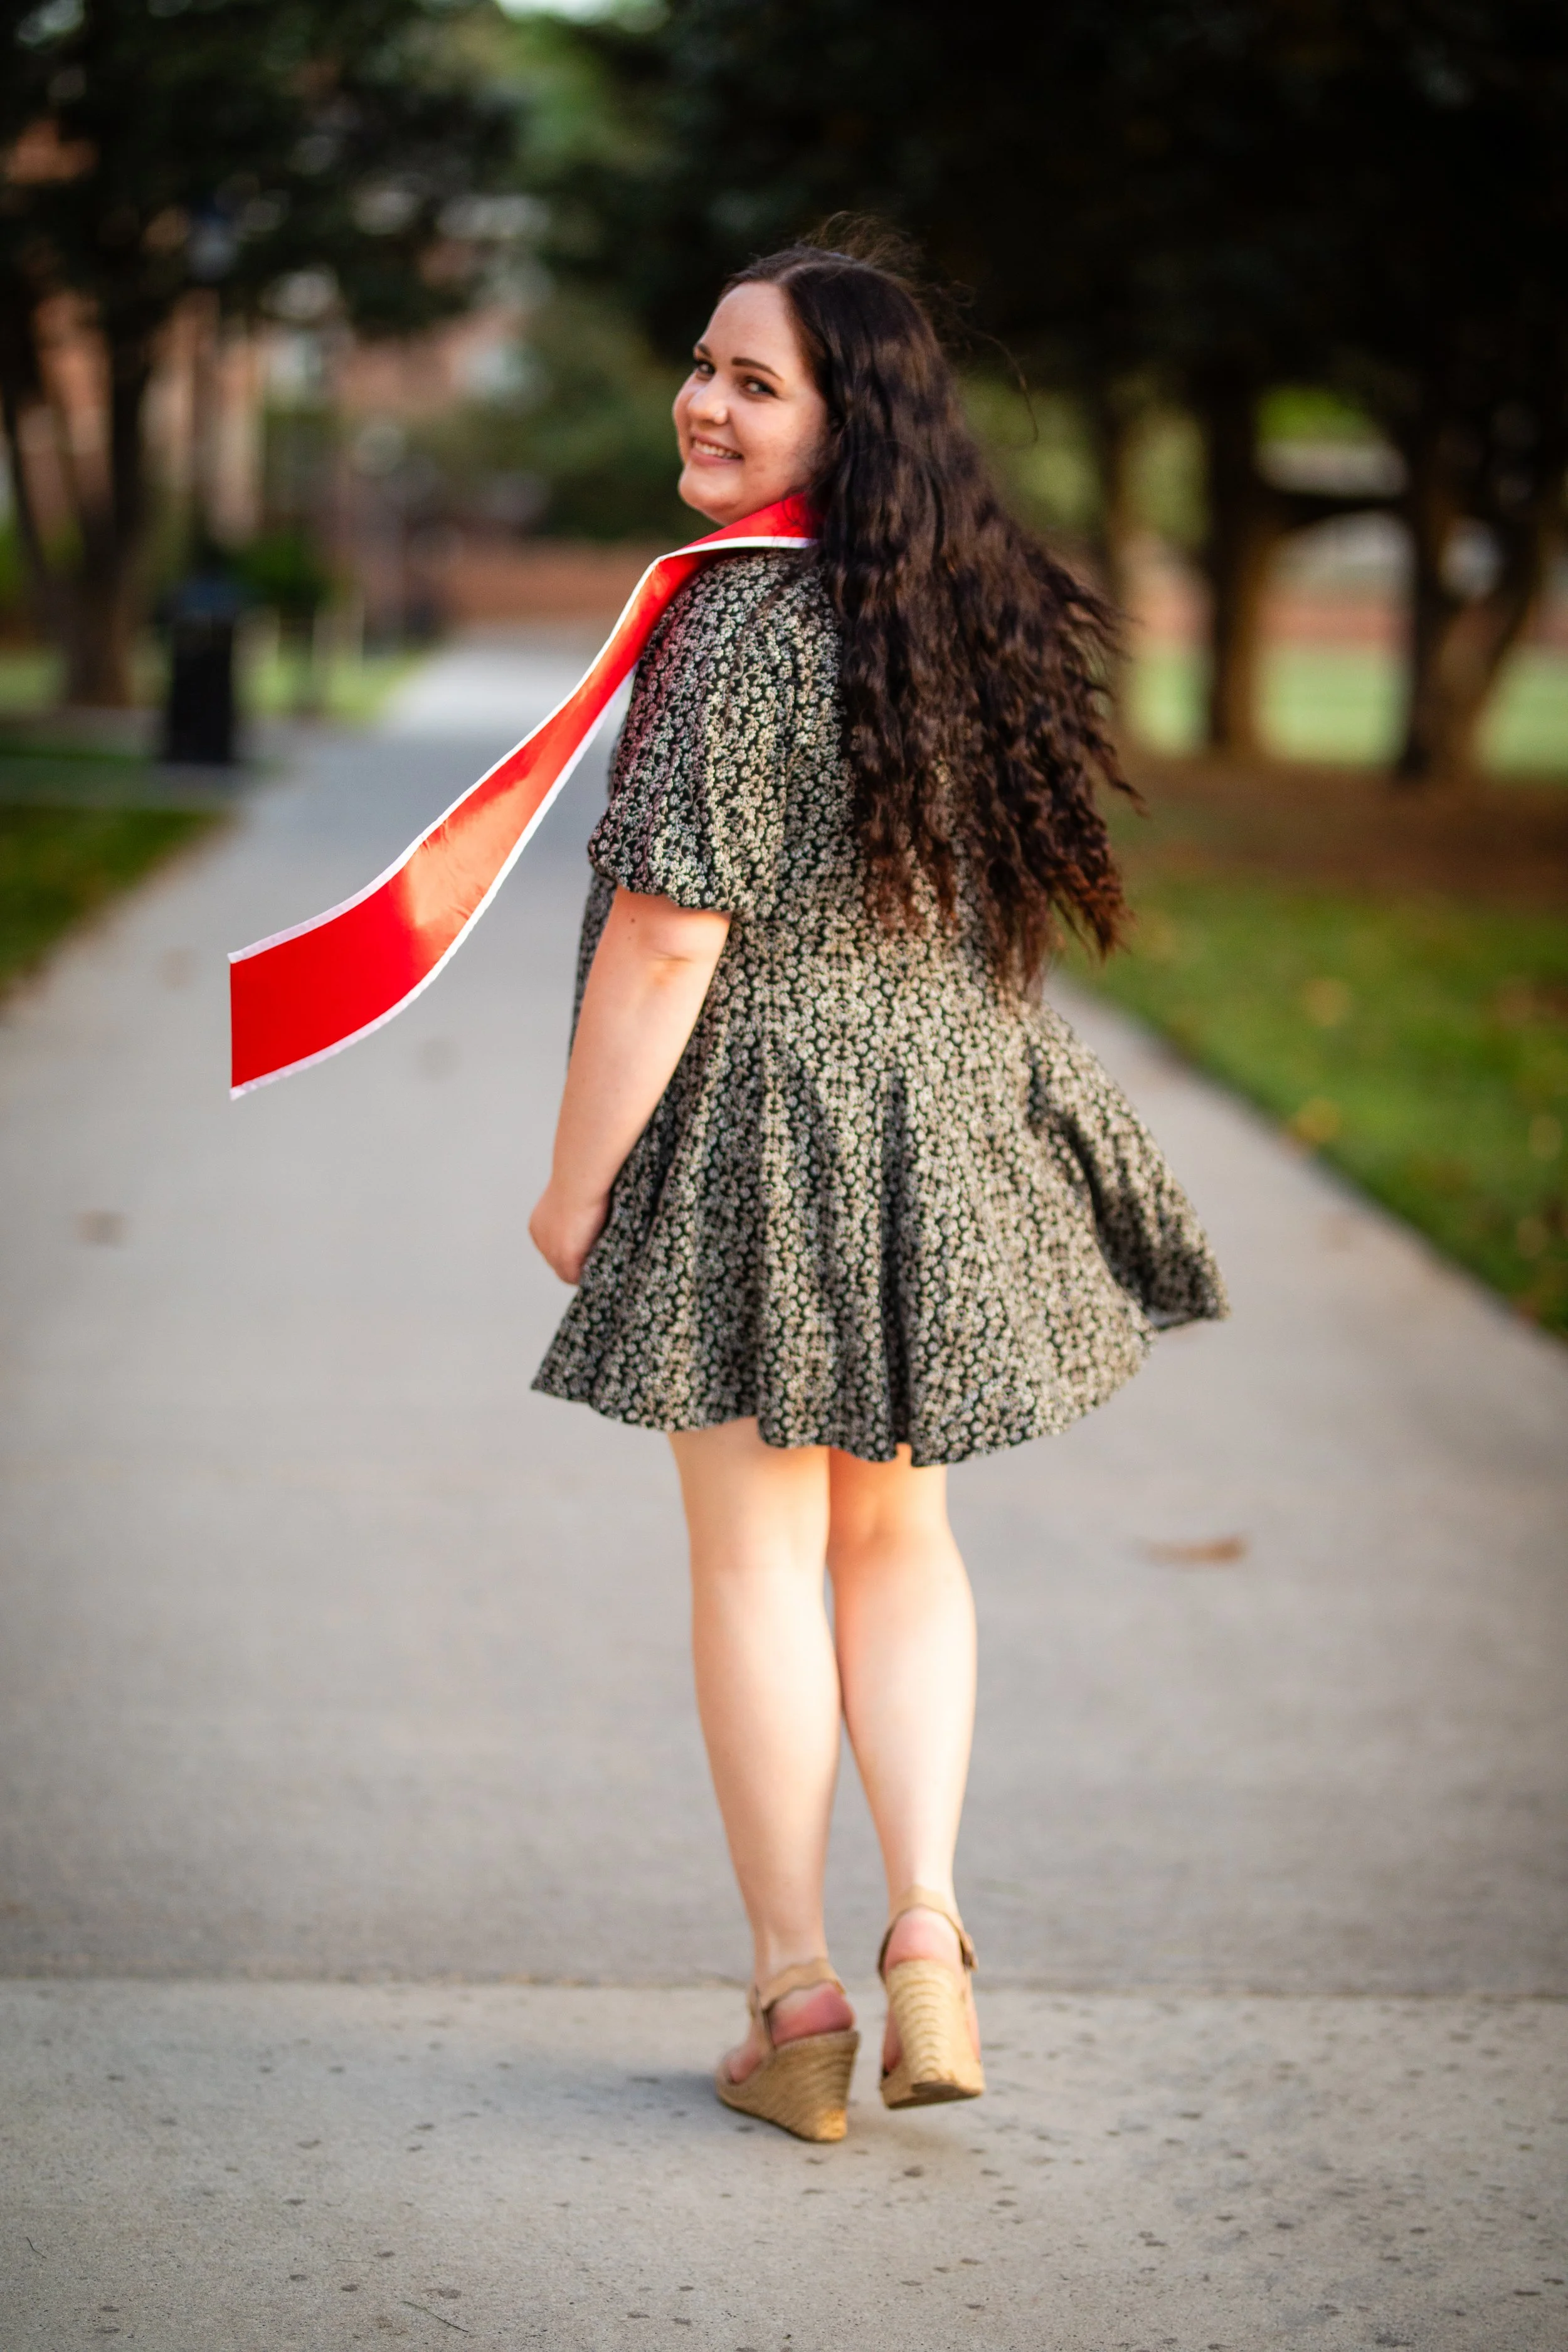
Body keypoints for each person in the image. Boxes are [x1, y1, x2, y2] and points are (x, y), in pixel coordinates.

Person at [527, 234, 1226, 2143]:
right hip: (926, 1118)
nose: (704, 398)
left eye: (754, 380)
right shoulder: (949, 609)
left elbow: (672, 938)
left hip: (754, 1126)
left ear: (850, 418)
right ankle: (930, 1928)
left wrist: (576, 1176)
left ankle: (794, 1990)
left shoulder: (745, 625)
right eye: (701, 362)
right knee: (895, 1543)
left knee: (753, 1557)